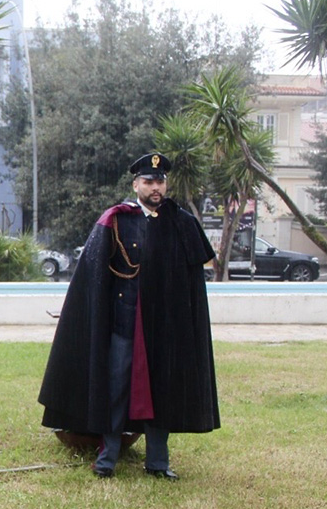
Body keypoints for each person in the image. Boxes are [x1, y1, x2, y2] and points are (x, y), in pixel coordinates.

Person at [38, 153, 220, 480]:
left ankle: (158, 463)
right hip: (125, 323)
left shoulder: (181, 223)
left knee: (162, 390)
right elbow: (93, 275)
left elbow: (193, 281)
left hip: (165, 328)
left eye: (160, 181)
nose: (155, 187)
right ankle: (107, 459)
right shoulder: (116, 220)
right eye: (148, 181)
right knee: (117, 387)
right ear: (136, 184)